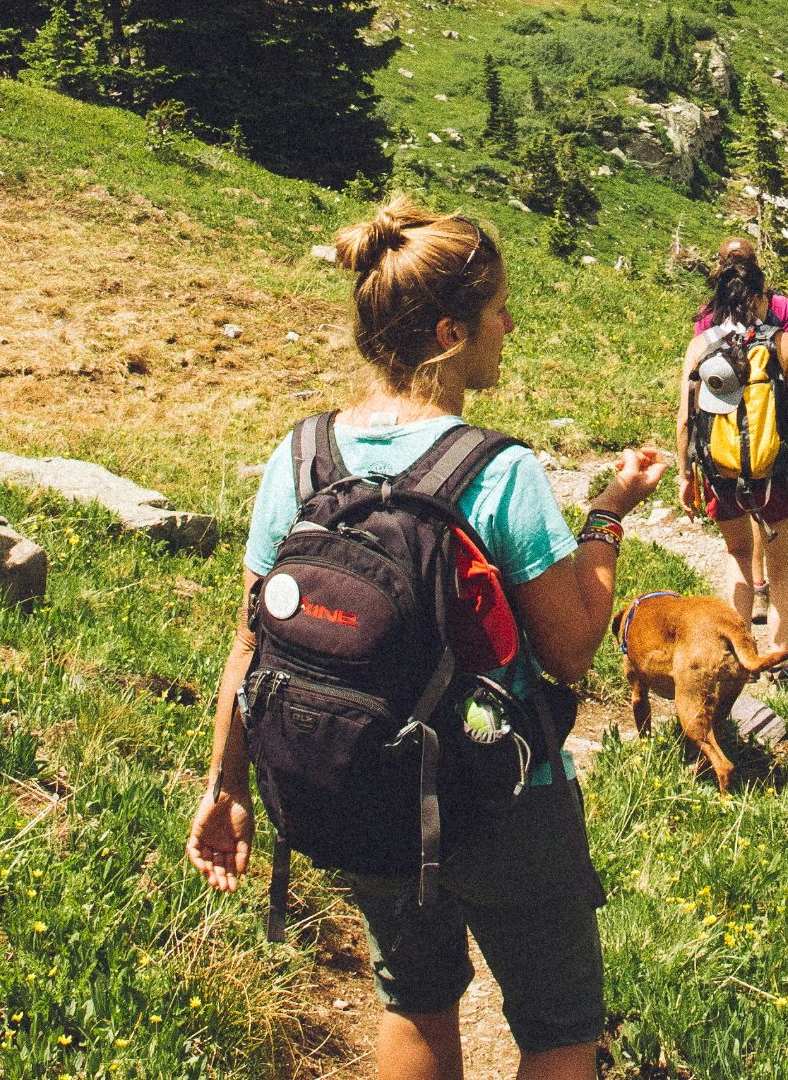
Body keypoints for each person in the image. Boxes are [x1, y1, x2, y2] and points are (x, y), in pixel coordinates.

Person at [186, 194, 665, 1080]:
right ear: (450, 331)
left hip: (365, 786)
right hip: (501, 793)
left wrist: (226, 784)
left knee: (414, 999)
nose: (510, 327)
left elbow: (250, 642)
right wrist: (605, 518)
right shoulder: (498, 470)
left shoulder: (301, 457)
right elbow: (570, 650)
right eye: (497, 312)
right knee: (560, 1028)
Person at [676, 238, 788, 682]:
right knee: (782, 569)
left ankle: (740, 656)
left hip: (721, 471)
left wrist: (685, 475)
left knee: (737, 557)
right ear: (761, 296)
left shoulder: (700, 344)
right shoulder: (780, 341)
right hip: (776, 468)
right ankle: (779, 660)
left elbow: (686, 419)